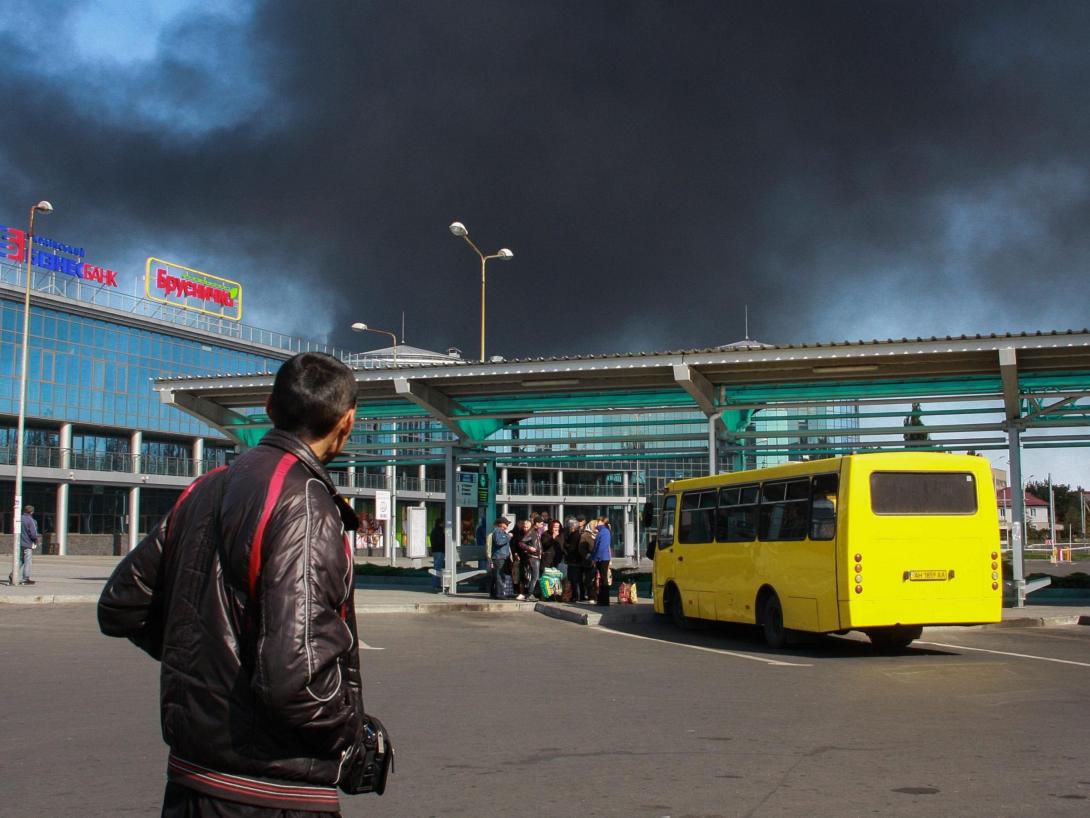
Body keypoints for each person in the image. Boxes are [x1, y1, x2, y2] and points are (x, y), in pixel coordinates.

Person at [98, 352, 388, 817]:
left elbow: (122, 604)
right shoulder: (307, 505)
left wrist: (206, 663)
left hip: (191, 780)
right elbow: (296, 679)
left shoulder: (206, 487)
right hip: (272, 792)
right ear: (348, 421)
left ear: (269, 407)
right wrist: (353, 735)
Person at [513, 517, 542, 601]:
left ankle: (530, 594)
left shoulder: (535, 531)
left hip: (535, 556)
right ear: (537, 523)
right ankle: (530, 594)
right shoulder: (532, 531)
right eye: (541, 523)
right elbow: (521, 543)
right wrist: (529, 548)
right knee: (534, 576)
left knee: (534, 576)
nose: (542, 525)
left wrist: (539, 552)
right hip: (533, 557)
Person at [11, 505, 41, 585]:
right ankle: (25, 578)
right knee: (28, 561)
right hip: (27, 543)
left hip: (19, 543)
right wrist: (35, 540)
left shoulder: (19, 518)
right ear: (32, 512)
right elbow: (33, 533)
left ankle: (13, 574)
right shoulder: (31, 520)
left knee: (21, 560)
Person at [489, 517, 513, 599]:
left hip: (501, 556)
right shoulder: (498, 531)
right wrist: (508, 536)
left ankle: (495, 593)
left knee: (497, 576)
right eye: (506, 524)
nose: (507, 525)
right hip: (499, 557)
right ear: (501, 524)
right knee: (500, 576)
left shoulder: (501, 532)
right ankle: (500, 594)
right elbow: (499, 542)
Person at [592, 516, 613, 606]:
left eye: (598, 521)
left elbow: (601, 547)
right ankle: (602, 599)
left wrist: (595, 558)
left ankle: (604, 600)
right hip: (602, 557)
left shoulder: (604, 531)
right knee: (602, 579)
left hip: (602, 558)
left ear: (602, 522)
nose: (596, 522)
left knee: (603, 579)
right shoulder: (602, 531)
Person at [578, 517, 597, 603]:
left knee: (596, 579)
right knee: (589, 579)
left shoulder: (597, 535)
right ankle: (591, 596)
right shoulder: (585, 535)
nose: (596, 528)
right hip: (588, 561)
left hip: (597, 561)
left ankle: (596, 595)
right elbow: (581, 549)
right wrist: (588, 556)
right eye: (594, 526)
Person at [430, 517, 446, 592]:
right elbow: (441, 542)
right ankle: (436, 585)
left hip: (435, 551)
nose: (444, 524)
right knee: (438, 568)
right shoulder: (440, 531)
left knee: (436, 567)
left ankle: (436, 584)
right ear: (440, 523)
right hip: (440, 551)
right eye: (443, 523)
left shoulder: (433, 530)